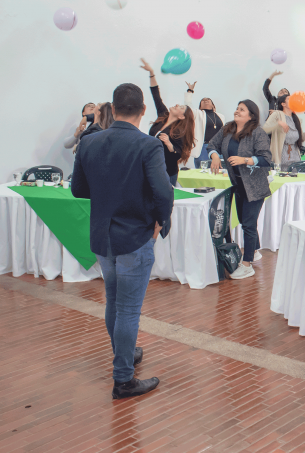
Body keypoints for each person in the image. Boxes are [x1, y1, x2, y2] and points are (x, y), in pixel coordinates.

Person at [71, 82, 173, 400]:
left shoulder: (89, 142)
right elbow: (163, 192)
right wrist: (160, 222)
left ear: (112, 110)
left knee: (114, 302)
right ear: (143, 110)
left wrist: (108, 196)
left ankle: (125, 356)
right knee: (128, 309)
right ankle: (124, 379)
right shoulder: (148, 145)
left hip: (104, 236)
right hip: (134, 236)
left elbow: (78, 189)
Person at [208, 100, 273, 276]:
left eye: (242, 110)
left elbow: (267, 159)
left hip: (255, 186)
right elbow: (212, 145)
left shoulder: (257, 133)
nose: (237, 111)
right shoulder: (227, 129)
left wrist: (245, 160)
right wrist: (214, 156)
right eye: (237, 108)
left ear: (251, 116)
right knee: (245, 222)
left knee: (249, 225)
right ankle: (256, 251)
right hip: (237, 184)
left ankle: (247, 264)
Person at [140, 59, 196, 186]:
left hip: (167, 172)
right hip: (150, 168)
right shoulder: (163, 115)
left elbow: (179, 154)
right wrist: (151, 72)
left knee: (164, 204)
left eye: (180, 107)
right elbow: (156, 94)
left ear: (182, 117)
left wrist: (169, 144)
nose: (177, 104)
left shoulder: (179, 131)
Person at [184, 81, 226, 169]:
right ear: (200, 107)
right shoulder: (198, 114)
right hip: (203, 148)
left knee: (219, 172)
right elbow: (187, 107)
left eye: (208, 100)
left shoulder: (221, 116)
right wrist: (190, 91)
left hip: (219, 149)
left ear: (213, 106)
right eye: (203, 101)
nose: (205, 100)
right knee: (203, 173)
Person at [263, 94, 302, 171]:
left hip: (295, 154)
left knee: (294, 180)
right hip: (281, 154)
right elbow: (264, 130)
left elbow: (301, 138)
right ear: (283, 104)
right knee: (282, 179)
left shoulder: (296, 118)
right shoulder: (277, 114)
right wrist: (277, 124)